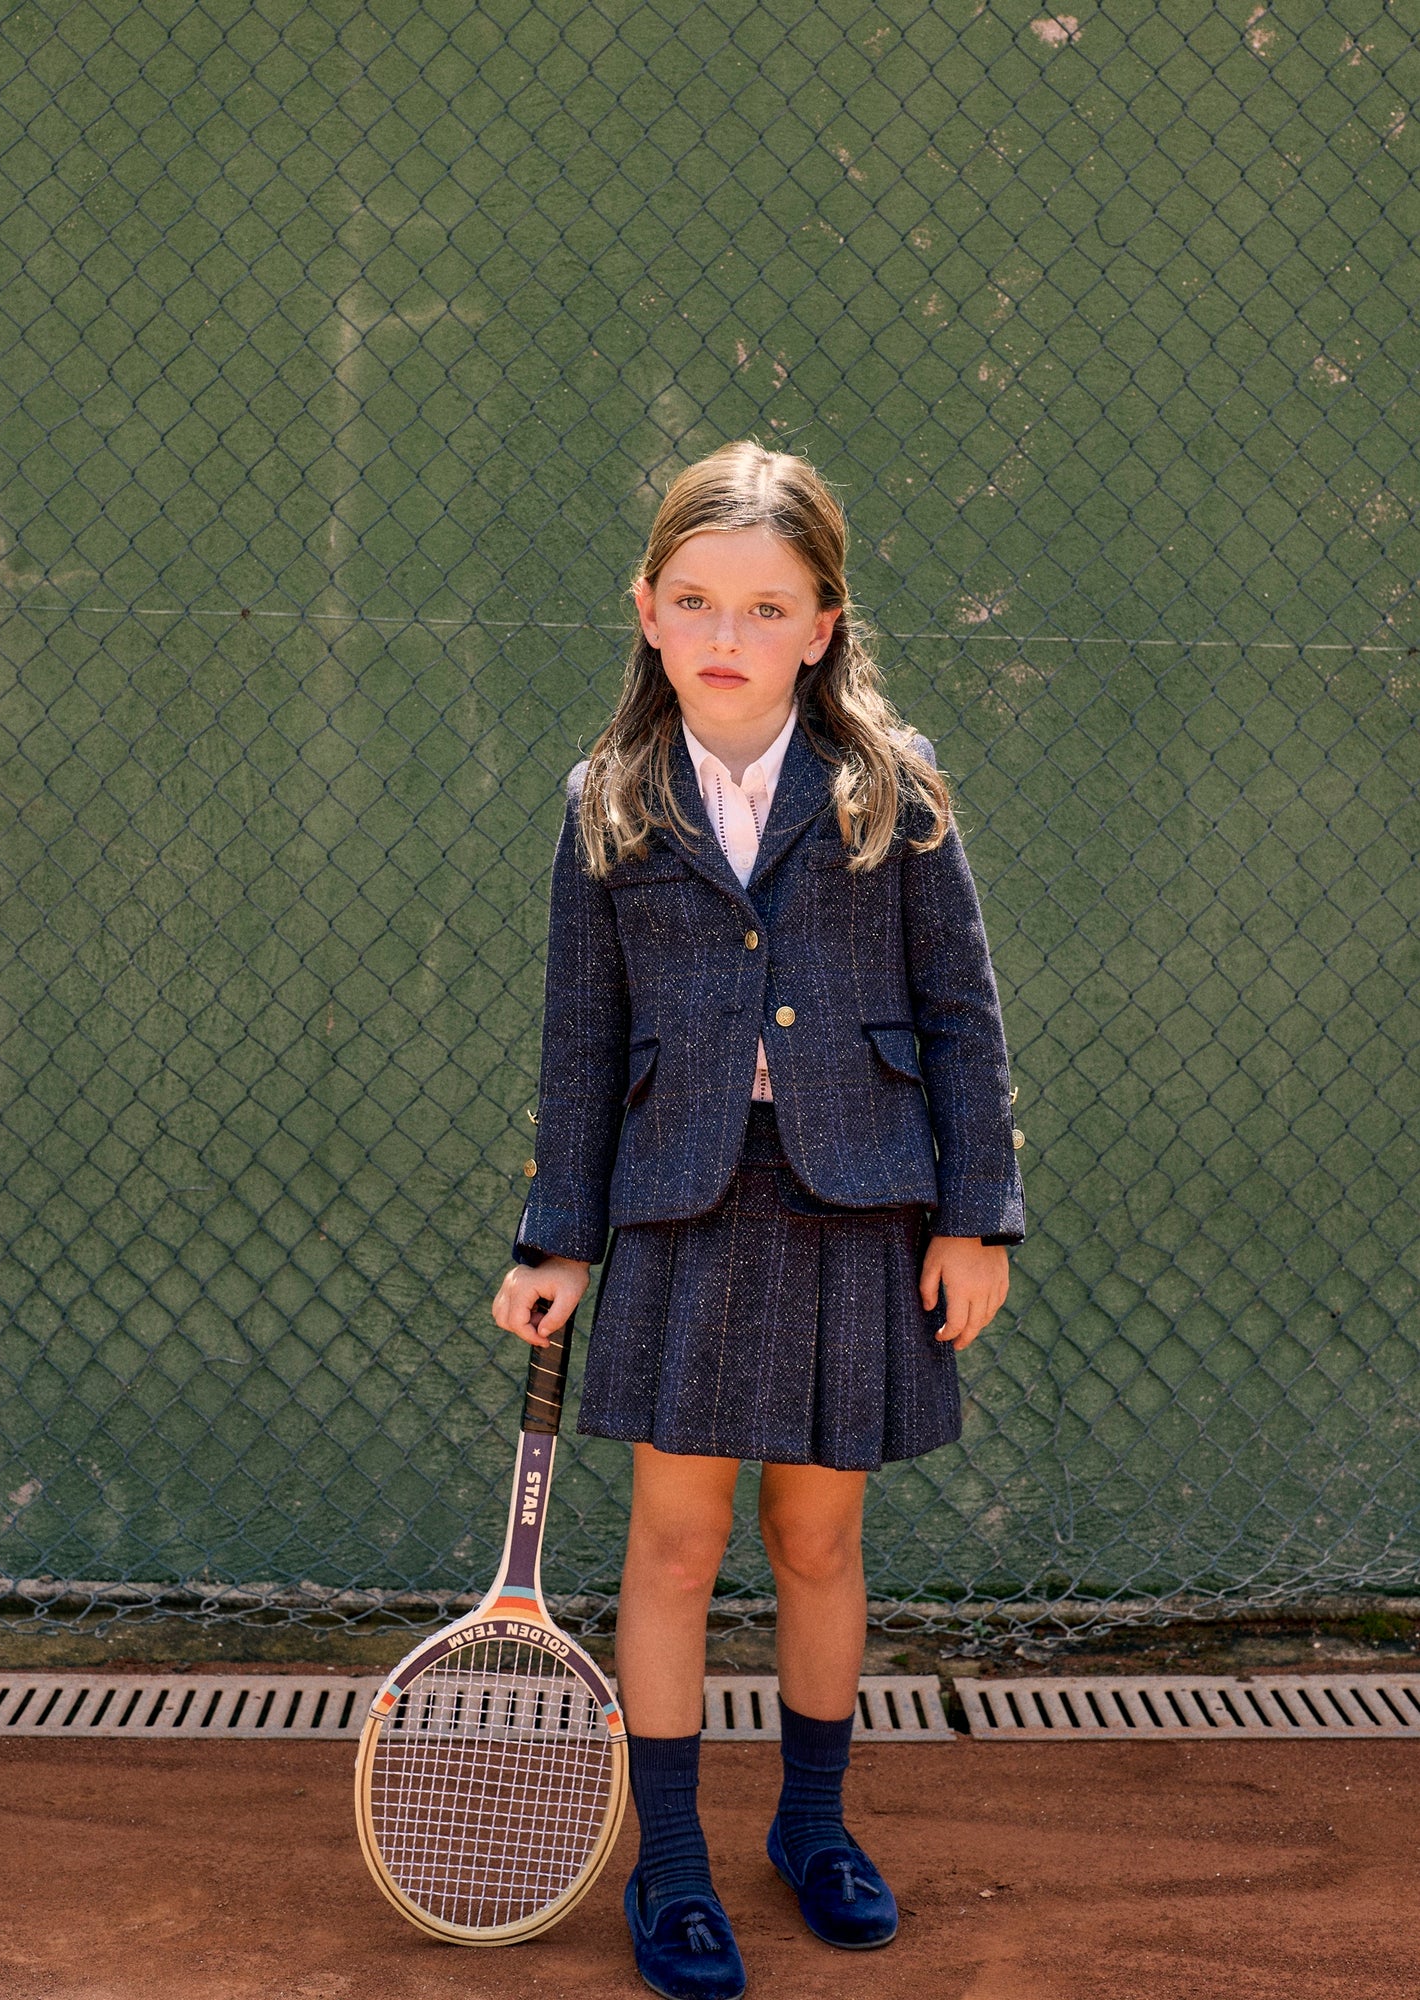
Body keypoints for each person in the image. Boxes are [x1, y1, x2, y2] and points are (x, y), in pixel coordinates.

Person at [492, 440, 1023, 1999]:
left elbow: (965, 1016)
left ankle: (808, 1823)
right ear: (649, 612)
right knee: (672, 1543)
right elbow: (580, 1045)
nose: (730, 636)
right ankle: (667, 1862)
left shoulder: (894, 790)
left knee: (818, 1533)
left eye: (767, 606)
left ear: (822, 623)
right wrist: (556, 1238)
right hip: (678, 1210)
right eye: (699, 601)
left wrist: (975, 1216)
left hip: (862, 1206)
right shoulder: (608, 803)